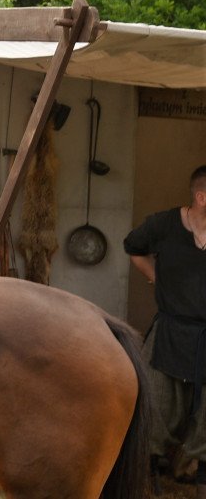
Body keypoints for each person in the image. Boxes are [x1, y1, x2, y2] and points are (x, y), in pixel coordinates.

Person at [125, 164, 206, 497]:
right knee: (155, 414)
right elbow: (134, 247)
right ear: (202, 197)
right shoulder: (165, 225)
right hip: (170, 337)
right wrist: (158, 278)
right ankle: (145, 485)